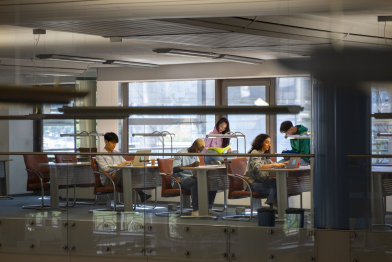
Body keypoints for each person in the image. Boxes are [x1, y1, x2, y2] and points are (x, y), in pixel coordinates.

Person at [96, 132, 151, 202]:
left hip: (119, 177)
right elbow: (105, 169)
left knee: (126, 178)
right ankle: (140, 194)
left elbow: (125, 162)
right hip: (108, 179)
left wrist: (131, 163)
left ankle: (129, 205)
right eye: (112, 143)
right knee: (125, 174)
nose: (114, 145)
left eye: (115, 143)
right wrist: (121, 164)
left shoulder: (116, 153)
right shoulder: (100, 155)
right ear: (106, 141)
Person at [172, 138, 219, 217]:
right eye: (197, 149)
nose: (198, 152)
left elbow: (195, 170)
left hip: (191, 178)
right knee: (195, 182)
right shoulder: (181, 154)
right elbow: (175, 169)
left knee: (213, 181)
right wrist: (190, 166)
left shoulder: (195, 156)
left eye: (200, 151)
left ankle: (208, 208)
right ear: (193, 144)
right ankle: (196, 210)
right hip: (179, 180)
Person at [243, 134, 286, 208]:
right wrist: (275, 165)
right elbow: (258, 167)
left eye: (270, 142)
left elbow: (272, 164)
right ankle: (274, 207)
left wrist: (282, 164)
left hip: (260, 181)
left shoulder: (264, 155)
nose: (269, 144)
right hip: (250, 183)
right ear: (260, 142)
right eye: (267, 142)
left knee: (278, 184)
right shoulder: (255, 152)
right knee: (276, 189)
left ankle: (273, 207)